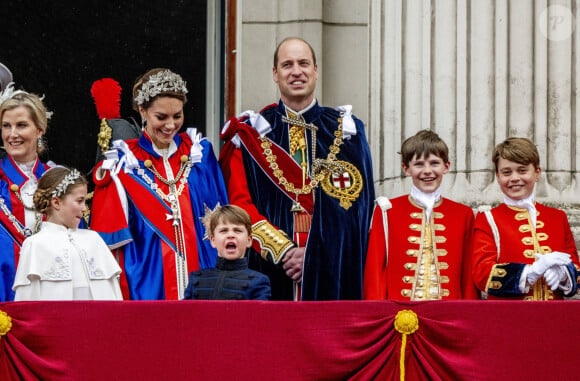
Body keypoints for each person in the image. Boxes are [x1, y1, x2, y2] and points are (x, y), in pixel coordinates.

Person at [219, 37, 375, 300]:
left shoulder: (347, 130)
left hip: (332, 272)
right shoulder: (252, 133)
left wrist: (315, 254)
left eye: (303, 63)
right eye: (287, 64)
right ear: (275, 74)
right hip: (270, 271)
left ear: (315, 70)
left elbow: (358, 209)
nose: (296, 71)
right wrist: (284, 251)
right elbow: (240, 206)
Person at [90, 68, 229, 300]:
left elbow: (223, 222)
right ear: (143, 111)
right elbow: (109, 248)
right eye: (161, 117)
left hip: (203, 283)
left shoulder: (200, 154)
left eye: (178, 116)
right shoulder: (123, 164)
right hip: (146, 287)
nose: (171, 125)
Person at [363, 130, 479, 300]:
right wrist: (377, 313)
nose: (427, 171)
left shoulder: (464, 214)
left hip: (450, 316)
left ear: (446, 167)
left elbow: (468, 277)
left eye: (434, 163)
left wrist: (468, 319)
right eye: (418, 164)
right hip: (399, 315)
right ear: (406, 169)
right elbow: (375, 272)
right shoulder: (387, 211)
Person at [472, 137, 580, 300]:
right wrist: (529, 273)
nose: (514, 178)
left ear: (537, 173)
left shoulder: (558, 217)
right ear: (498, 176)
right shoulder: (488, 219)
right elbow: (482, 273)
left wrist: (564, 274)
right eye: (506, 172)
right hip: (509, 319)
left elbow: (576, 267)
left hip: (554, 318)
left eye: (522, 170)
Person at [13, 167, 122, 300]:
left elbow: (114, 297)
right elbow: (26, 302)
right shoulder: (35, 244)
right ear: (56, 202)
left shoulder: (94, 239)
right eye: (79, 200)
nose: (84, 208)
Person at [0, 88, 54, 301]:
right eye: (6, 126)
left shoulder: (59, 181)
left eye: (21, 125)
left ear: (40, 129)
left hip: (51, 293)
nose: (12, 134)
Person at [183, 204, 271, 300]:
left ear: (249, 240)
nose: (231, 235)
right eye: (224, 230)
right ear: (213, 240)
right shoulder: (196, 278)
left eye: (237, 230)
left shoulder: (259, 281)